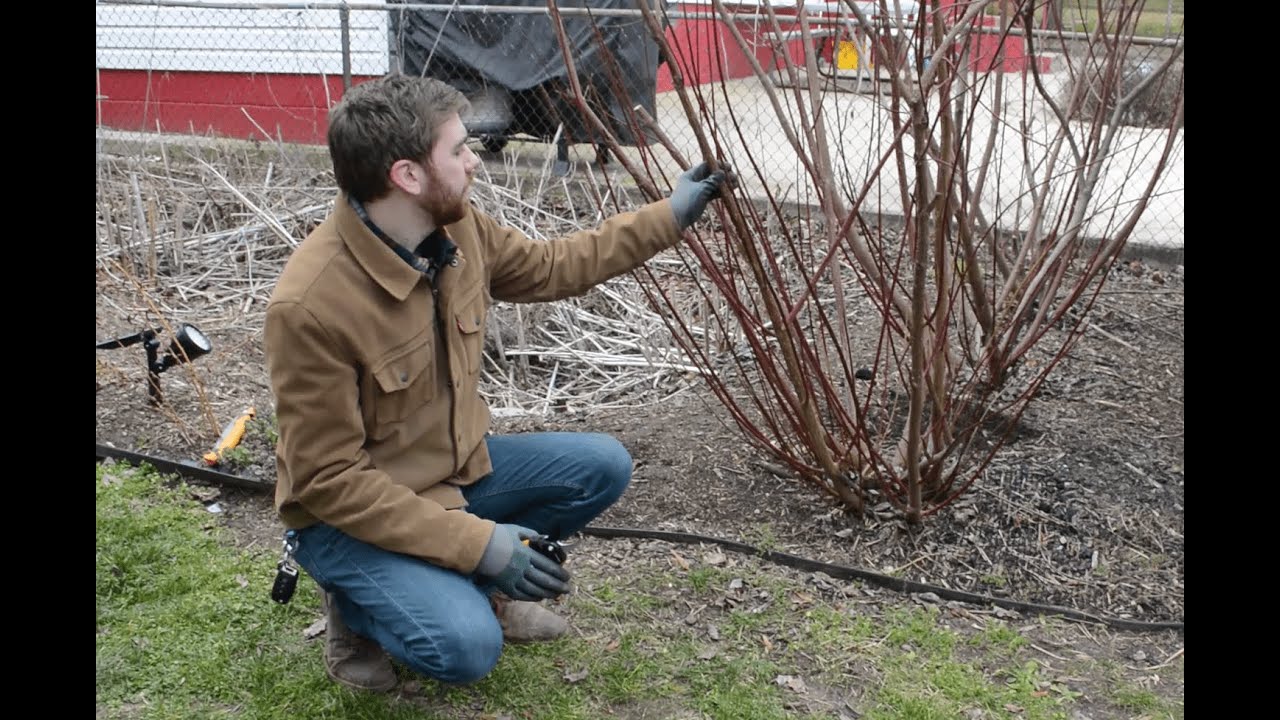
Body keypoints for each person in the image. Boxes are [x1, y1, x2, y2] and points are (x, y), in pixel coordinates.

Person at [263, 72, 729, 691]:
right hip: (350, 520)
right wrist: (482, 546)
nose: (474, 161)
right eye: (457, 150)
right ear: (407, 176)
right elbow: (329, 483)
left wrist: (667, 216)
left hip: (452, 476)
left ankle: (454, 585)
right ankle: (360, 607)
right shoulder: (311, 305)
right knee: (465, 648)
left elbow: (553, 265)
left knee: (601, 466)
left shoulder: (455, 230)